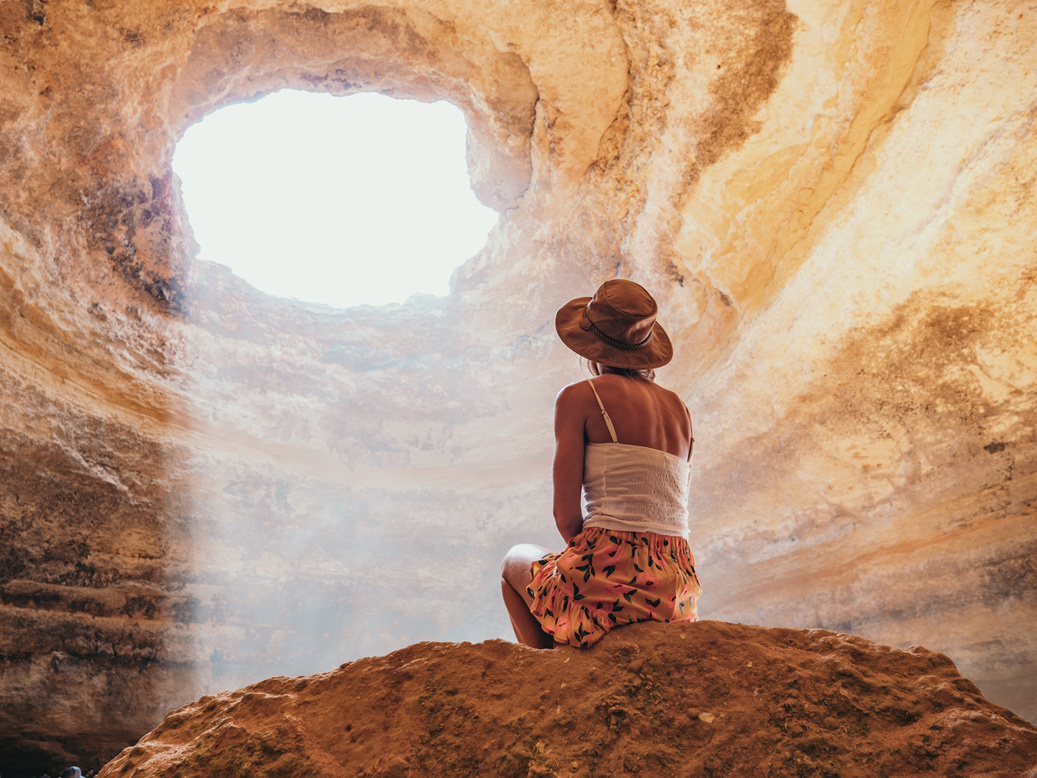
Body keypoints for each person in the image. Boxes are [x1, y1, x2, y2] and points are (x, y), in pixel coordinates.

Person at [501, 278, 701, 648]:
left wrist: (597, 574)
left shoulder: (580, 397)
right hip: (675, 587)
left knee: (515, 562)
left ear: (590, 347)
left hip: (611, 575)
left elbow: (566, 518)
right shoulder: (681, 410)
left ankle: (548, 667)